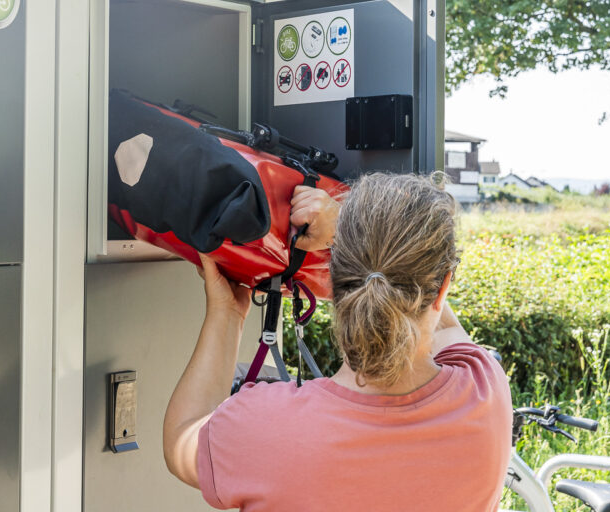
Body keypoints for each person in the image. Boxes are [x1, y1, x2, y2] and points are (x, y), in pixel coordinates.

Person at [163, 172, 513, 511]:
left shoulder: (263, 428)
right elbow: (443, 325)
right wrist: (351, 226)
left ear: (333, 276)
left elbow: (182, 435)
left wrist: (227, 314)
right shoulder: (485, 393)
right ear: (444, 286)